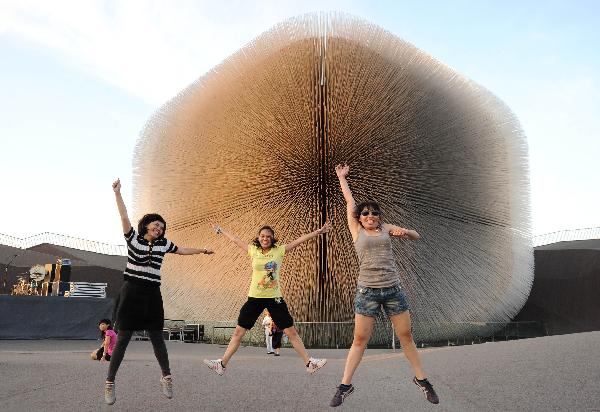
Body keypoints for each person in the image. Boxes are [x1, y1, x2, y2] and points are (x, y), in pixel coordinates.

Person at [330, 164, 439, 407]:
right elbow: (349, 201)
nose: (370, 216)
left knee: (406, 336)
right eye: (366, 213)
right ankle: (345, 385)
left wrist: (406, 232)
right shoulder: (356, 230)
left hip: (393, 290)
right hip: (367, 292)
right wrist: (341, 178)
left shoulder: (386, 229)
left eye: (375, 213)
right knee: (359, 339)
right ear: (359, 218)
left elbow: (416, 236)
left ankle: (422, 380)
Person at [104, 178, 214, 405]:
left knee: (157, 337)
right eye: (156, 225)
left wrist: (202, 250)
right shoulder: (132, 238)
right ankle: (110, 382)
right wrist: (117, 194)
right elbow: (124, 217)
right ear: (146, 225)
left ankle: (166, 377)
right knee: (123, 337)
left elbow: (182, 250)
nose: (159, 228)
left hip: (153, 294)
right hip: (131, 292)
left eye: (162, 227)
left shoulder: (164, 244)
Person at [203, 223, 331, 376]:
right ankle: (221, 364)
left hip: (274, 298)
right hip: (255, 297)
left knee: (291, 331)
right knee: (239, 331)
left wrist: (318, 232)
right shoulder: (253, 250)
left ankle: (309, 363)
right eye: (263, 236)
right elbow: (236, 240)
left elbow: (299, 241)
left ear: (272, 239)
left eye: (268, 236)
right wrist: (221, 230)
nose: (265, 238)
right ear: (258, 238)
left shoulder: (279, 251)